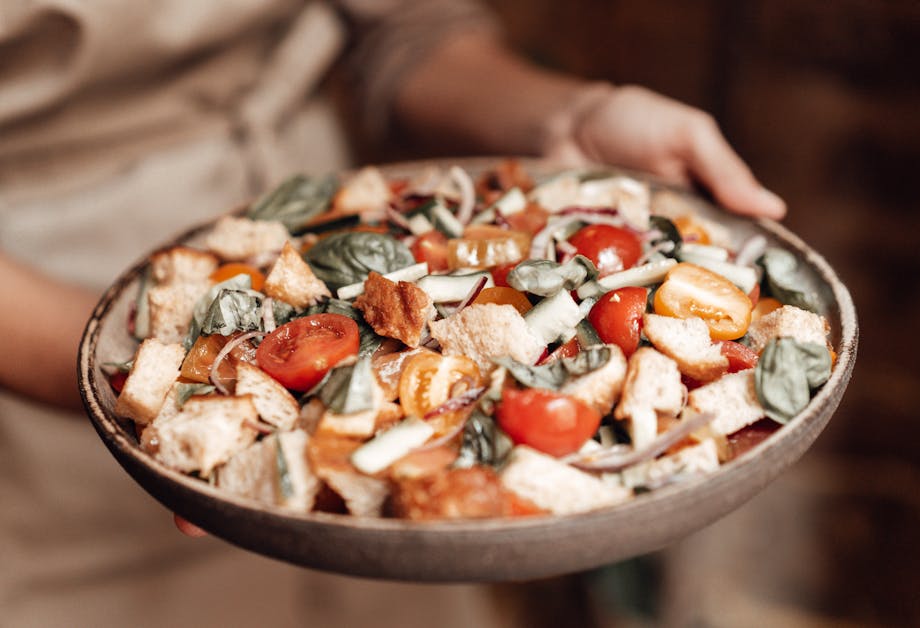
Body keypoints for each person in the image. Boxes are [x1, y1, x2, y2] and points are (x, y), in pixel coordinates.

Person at [0, 1, 785, 626]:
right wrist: (146, 377)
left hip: (338, 224)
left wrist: (569, 118)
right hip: (41, 302)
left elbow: (408, 29)